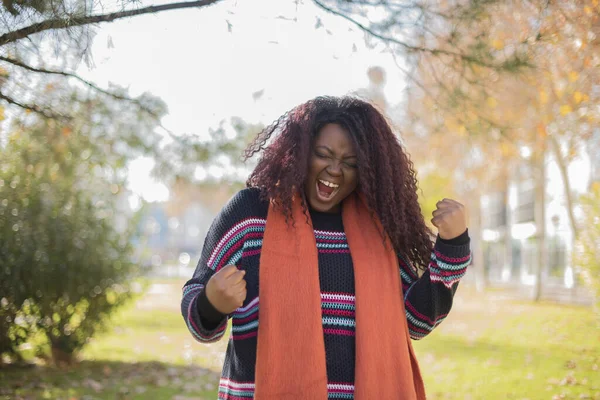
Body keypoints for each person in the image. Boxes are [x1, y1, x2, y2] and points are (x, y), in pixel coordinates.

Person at [181, 96, 471, 400]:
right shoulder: (251, 214)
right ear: (300, 153)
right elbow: (198, 318)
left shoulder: (379, 228)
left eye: (350, 163)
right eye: (323, 154)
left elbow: (416, 321)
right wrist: (211, 304)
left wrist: (452, 247)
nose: (335, 170)